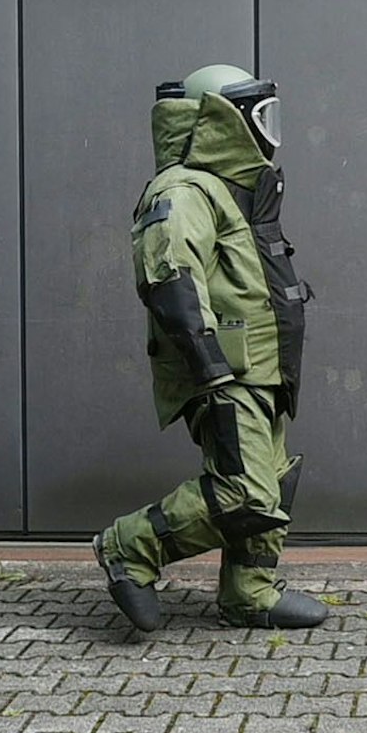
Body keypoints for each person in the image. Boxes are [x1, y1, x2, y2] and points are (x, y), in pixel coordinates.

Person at [93, 65, 329, 632]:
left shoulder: (232, 190)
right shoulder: (185, 190)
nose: (269, 132)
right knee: (245, 492)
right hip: (227, 371)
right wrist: (209, 365)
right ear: (224, 121)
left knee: (273, 479)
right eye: (259, 117)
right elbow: (169, 273)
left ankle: (250, 591)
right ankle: (131, 546)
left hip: (263, 368)